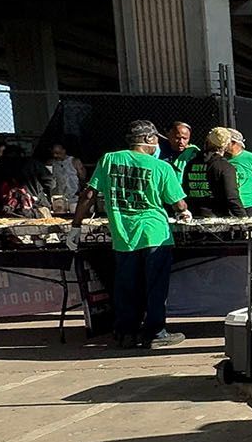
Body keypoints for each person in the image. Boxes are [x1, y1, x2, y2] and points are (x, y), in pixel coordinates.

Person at [73, 120, 191, 349]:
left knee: (126, 286)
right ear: (148, 139)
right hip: (155, 234)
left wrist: (76, 225)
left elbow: (89, 194)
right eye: (156, 139)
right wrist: (185, 212)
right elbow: (177, 202)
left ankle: (125, 333)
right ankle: (155, 333)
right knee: (155, 286)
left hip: (123, 235)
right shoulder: (161, 167)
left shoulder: (109, 160)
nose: (158, 144)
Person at [182, 127, 245, 217]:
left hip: (194, 216)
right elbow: (232, 197)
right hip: (217, 219)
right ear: (226, 146)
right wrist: (244, 220)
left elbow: (186, 190)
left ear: (207, 141)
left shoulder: (191, 164)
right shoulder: (225, 167)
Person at [43, 142, 86, 209]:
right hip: (57, 198)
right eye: (53, 153)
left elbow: (82, 178)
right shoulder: (51, 163)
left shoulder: (75, 161)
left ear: (64, 151)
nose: (55, 155)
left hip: (73, 197)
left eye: (58, 153)